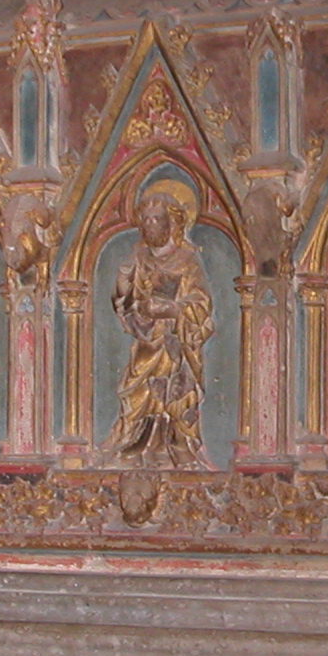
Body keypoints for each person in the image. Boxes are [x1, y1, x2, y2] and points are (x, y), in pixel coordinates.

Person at [106, 180, 215, 468]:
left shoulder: (187, 260)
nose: (150, 225)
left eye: (156, 219)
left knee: (175, 393)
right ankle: (136, 443)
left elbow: (201, 304)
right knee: (136, 390)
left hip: (177, 343)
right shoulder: (138, 257)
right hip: (147, 341)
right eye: (145, 220)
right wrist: (124, 284)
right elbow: (125, 302)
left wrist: (172, 308)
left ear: (172, 223)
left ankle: (176, 445)